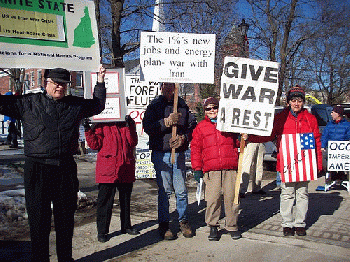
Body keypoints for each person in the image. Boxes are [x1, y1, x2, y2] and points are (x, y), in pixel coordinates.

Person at [0, 66, 106, 262]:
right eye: (55, 83)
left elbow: (98, 105)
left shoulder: (74, 104)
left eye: (63, 84)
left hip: (65, 167)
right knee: (38, 221)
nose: (60, 87)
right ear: (45, 83)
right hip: (37, 168)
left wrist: (100, 81)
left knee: (65, 220)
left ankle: (65, 258)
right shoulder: (27, 103)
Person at [245, 85, 322, 237]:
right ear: (288, 102)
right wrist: (250, 137)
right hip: (287, 164)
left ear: (303, 102)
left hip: (304, 164)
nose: (296, 103)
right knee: (287, 194)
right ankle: (287, 223)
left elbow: (316, 142)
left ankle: (300, 223)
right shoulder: (281, 118)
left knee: (302, 193)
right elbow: (268, 135)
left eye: (299, 100)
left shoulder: (310, 119)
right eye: (293, 100)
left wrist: (318, 163)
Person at [142, 82, 197, 240]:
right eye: (165, 86)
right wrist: (165, 122)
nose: (168, 89)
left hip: (178, 154)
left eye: (171, 86)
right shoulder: (154, 106)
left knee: (181, 191)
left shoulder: (181, 105)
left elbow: (191, 126)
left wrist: (183, 138)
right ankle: (164, 224)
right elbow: (148, 127)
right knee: (165, 191)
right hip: (161, 153)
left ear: (175, 87)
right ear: (161, 87)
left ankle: (184, 221)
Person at [191, 97, 241, 241]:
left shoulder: (228, 123)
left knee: (232, 198)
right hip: (211, 170)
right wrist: (197, 168)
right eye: (208, 108)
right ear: (205, 111)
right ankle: (213, 226)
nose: (212, 110)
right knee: (213, 199)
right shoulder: (201, 127)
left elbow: (237, 142)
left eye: (214, 107)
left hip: (230, 167)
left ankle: (232, 225)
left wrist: (241, 136)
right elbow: (195, 149)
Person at [83, 115, 140, 243]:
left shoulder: (125, 122)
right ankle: (102, 231)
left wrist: (130, 126)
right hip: (107, 169)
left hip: (125, 166)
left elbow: (133, 142)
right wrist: (88, 129)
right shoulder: (101, 124)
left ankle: (126, 226)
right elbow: (94, 144)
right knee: (105, 201)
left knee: (125, 200)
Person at [321, 105, 350, 185]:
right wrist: (323, 146)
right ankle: (332, 175)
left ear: (338, 114)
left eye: (333, 112)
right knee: (324, 157)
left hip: (342, 151)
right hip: (330, 150)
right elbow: (324, 136)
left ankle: (340, 175)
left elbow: (348, 137)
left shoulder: (347, 125)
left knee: (342, 159)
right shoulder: (329, 125)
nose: (331, 114)